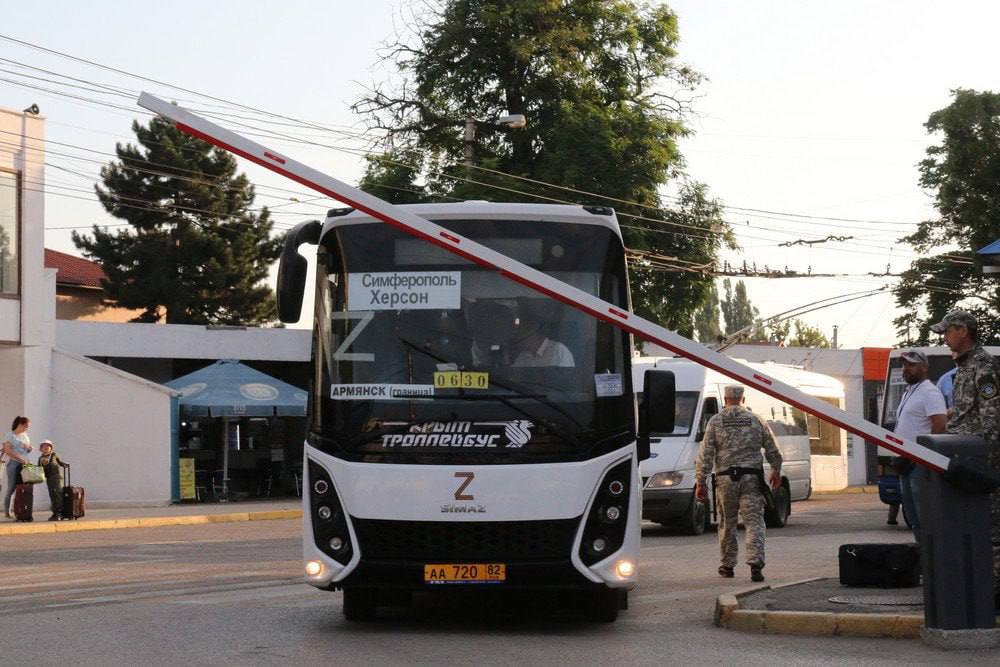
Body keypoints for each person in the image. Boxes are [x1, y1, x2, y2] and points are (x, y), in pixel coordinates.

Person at [931, 310, 1000, 600]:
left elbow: (992, 420)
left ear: (963, 330)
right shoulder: (965, 367)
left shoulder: (983, 366)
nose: (944, 338)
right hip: (961, 457)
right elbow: (966, 413)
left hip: (978, 462)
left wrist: (990, 469)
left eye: (947, 331)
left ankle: (993, 593)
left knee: (991, 531)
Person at [694, 385, 782, 582]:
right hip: (751, 478)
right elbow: (772, 448)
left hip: (726, 480)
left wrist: (700, 481)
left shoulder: (716, 421)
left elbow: (706, 454)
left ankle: (727, 566)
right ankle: (755, 564)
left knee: (727, 523)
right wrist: (776, 469)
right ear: (743, 398)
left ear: (725, 399)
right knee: (755, 522)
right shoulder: (756, 419)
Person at [891, 350, 947, 540]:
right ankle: (922, 556)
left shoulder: (930, 392)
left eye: (911, 365)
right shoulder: (910, 392)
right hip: (906, 460)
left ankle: (933, 560)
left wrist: (923, 458)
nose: (906, 369)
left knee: (925, 515)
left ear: (924, 367)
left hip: (919, 463)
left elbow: (940, 425)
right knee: (912, 515)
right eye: (905, 365)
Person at [511, 301, 574, 368]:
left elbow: (564, 376)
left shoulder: (558, 350)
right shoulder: (522, 356)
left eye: (522, 333)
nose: (519, 340)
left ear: (534, 333)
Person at [2, 416, 33, 519]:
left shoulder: (25, 435)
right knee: (12, 488)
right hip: (14, 464)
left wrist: (29, 448)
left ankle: (20, 510)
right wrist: (20, 458)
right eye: (26, 427)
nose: (27, 429)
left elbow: (26, 449)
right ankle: (7, 511)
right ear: (20, 424)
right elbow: (8, 451)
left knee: (23, 488)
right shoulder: (10, 436)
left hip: (25, 465)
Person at [37, 440, 68, 521]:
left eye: (48, 446)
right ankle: (54, 513)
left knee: (58, 494)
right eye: (44, 446)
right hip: (49, 478)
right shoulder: (40, 458)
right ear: (41, 449)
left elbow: (60, 462)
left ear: (51, 448)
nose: (46, 447)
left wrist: (64, 465)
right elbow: (39, 469)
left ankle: (59, 513)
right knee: (52, 495)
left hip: (57, 477)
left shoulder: (53, 455)